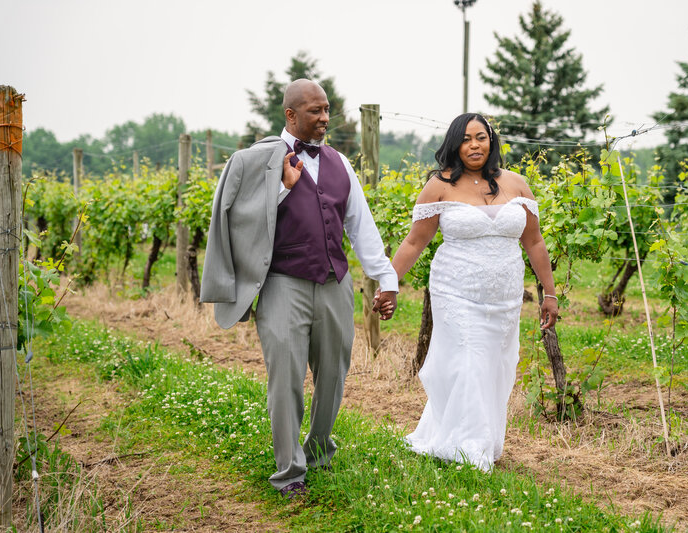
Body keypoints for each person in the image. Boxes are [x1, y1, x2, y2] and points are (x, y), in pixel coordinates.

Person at [200, 79, 398, 498]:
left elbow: (361, 228)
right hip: (282, 284)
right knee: (286, 378)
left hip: (334, 284)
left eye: (327, 110)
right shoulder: (255, 162)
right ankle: (290, 472)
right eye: (314, 111)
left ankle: (320, 449)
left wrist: (387, 278)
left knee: (334, 376)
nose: (325, 118)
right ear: (290, 115)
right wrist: (282, 188)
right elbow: (236, 222)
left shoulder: (342, 164)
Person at [375, 113, 558, 472]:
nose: (474, 145)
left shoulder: (517, 184)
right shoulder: (439, 186)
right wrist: (389, 284)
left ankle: (472, 437)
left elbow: (534, 241)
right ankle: (470, 450)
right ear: (455, 144)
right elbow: (415, 241)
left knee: (496, 368)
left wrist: (549, 294)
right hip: (456, 292)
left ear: (491, 141)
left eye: (481, 137)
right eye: (466, 139)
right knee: (469, 363)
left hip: (505, 298)